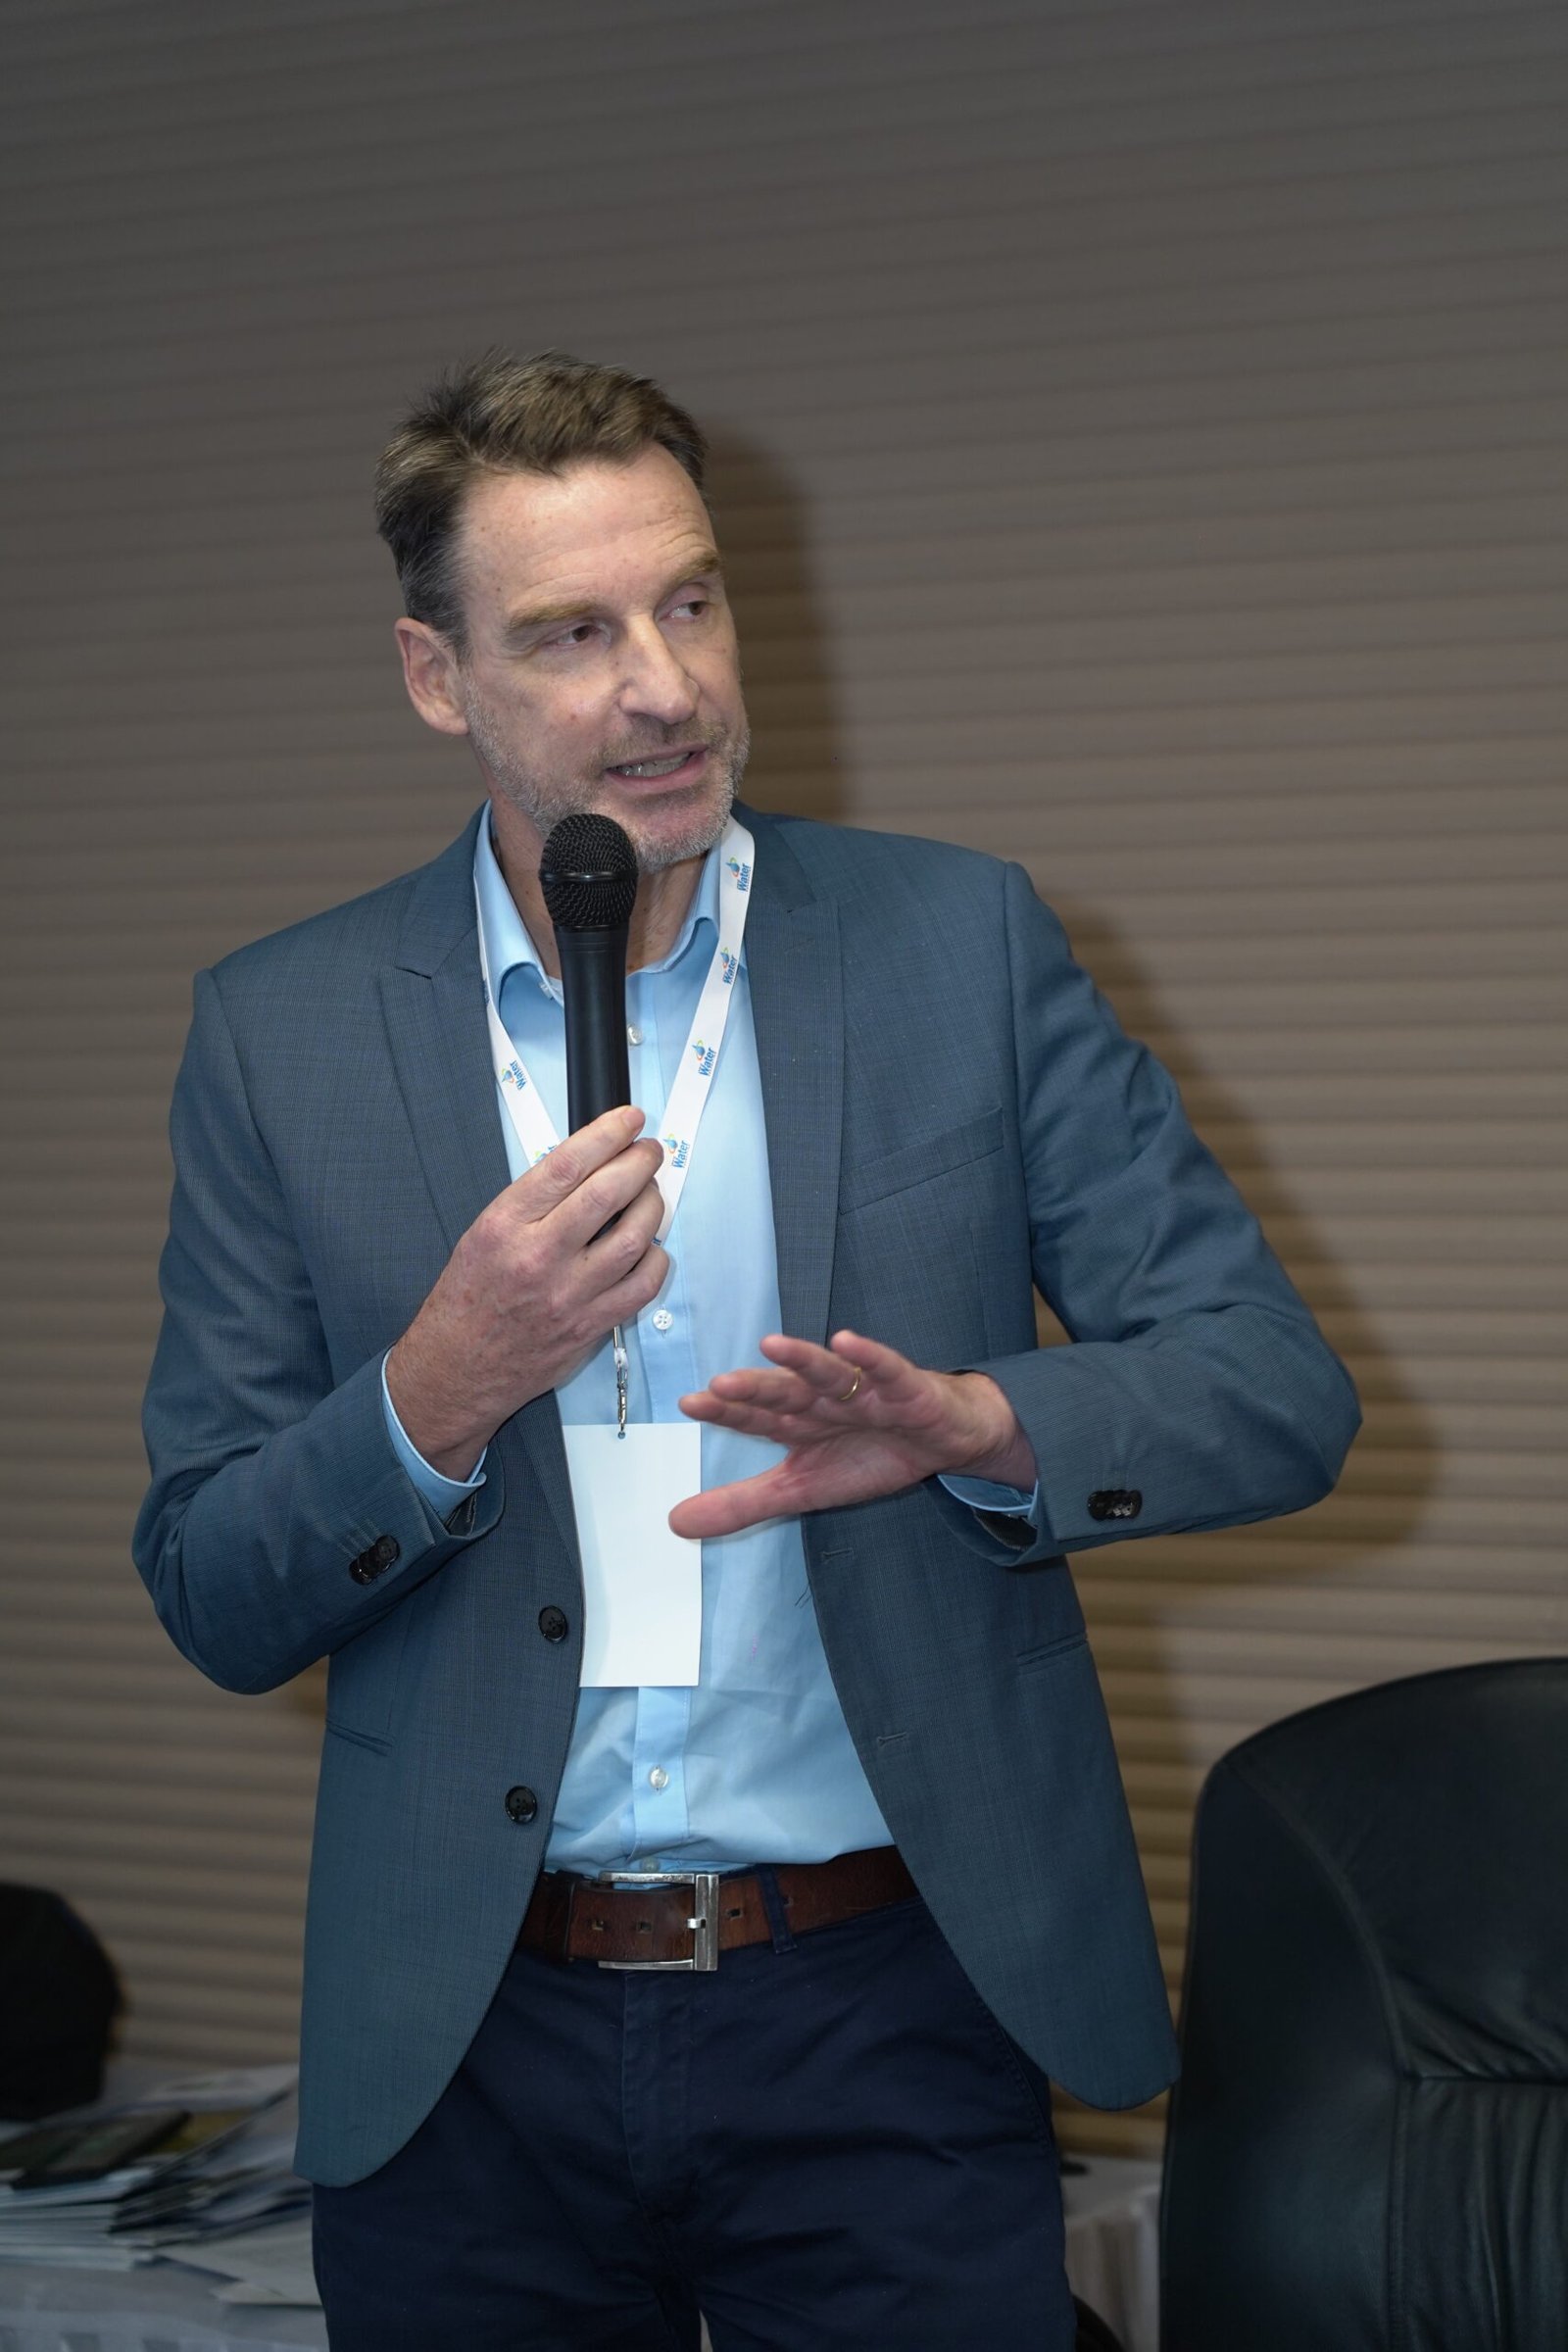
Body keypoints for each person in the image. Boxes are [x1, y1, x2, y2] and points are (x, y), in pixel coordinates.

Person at [134, 352, 1359, 2350]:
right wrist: (442, 1383)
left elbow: (1273, 1390)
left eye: (690, 601)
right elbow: (210, 1582)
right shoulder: (281, 1034)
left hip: (881, 2006)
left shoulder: (957, 945)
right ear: (438, 678)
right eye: (573, 633)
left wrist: (978, 1423)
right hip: (469, 2037)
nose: (666, 686)